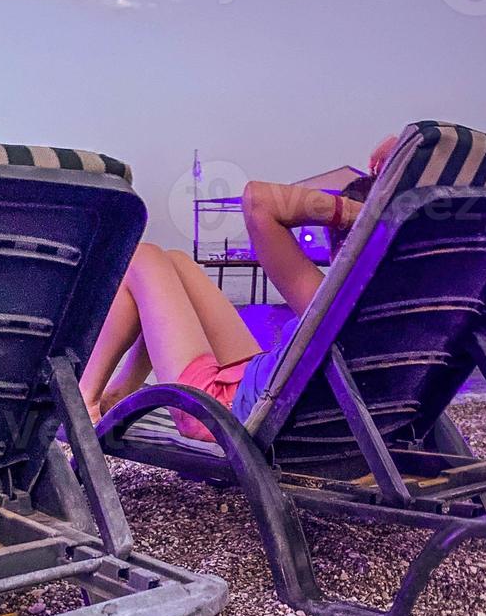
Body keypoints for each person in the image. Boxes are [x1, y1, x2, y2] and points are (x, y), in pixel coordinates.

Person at [79, 136, 399, 440]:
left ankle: (85, 401)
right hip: (263, 387)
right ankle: (120, 393)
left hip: (219, 409)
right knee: (178, 263)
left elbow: (258, 201)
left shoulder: (336, 302)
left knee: (143, 257)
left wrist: (366, 215)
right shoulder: (405, 309)